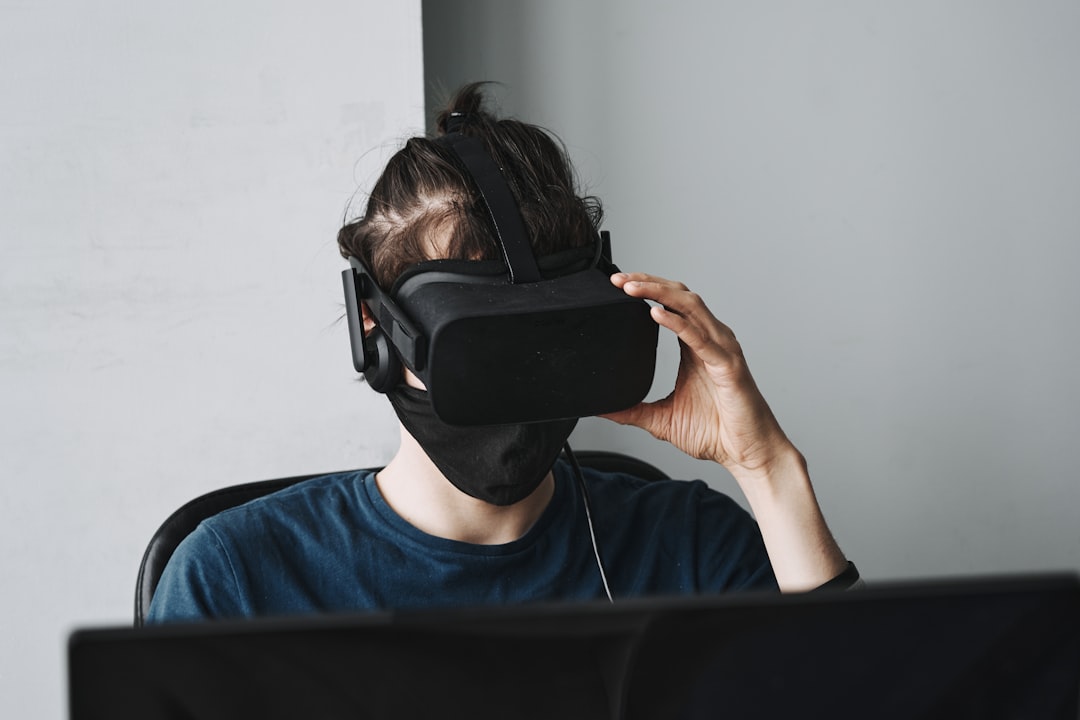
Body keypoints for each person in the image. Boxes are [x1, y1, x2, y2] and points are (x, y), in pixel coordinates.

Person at [147, 83, 854, 623]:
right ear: (375, 327)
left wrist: (767, 468)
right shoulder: (236, 577)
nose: (518, 384)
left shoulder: (692, 547)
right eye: (479, 341)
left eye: (545, 336)